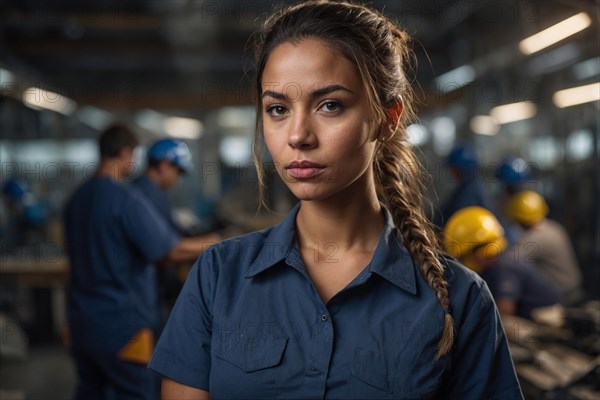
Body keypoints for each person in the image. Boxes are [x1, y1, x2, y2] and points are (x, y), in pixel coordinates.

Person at [149, 2, 523, 399]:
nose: (298, 135)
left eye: (330, 105)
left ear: (387, 117)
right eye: (277, 109)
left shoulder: (460, 299)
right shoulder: (218, 276)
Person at [63, 124, 219, 400]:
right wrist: (215, 242)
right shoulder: (124, 198)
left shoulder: (76, 198)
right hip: (123, 326)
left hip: (82, 323)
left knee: (90, 392)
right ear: (125, 153)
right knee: (135, 392)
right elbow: (167, 250)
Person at [132, 138, 221, 315]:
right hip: (142, 294)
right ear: (164, 165)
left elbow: (170, 233)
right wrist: (212, 242)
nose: (177, 179)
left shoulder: (154, 192)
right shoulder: (143, 195)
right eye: (178, 171)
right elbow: (165, 250)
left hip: (151, 292)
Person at [444, 206, 560, 319]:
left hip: (547, 320)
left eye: (464, 257)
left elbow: (504, 314)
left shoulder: (505, 266)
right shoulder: (498, 261)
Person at [506, 190, 584, 305]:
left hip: (563, 296)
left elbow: (509, 261)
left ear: (519, 218)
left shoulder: (536, 237)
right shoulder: (553, 227)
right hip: (573, 289)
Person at [433, 144, 497, 228]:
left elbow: (455, 222)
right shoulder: (470, 187)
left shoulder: (469, 194)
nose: (451, 172)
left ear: (459, 168)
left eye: (453, 167)